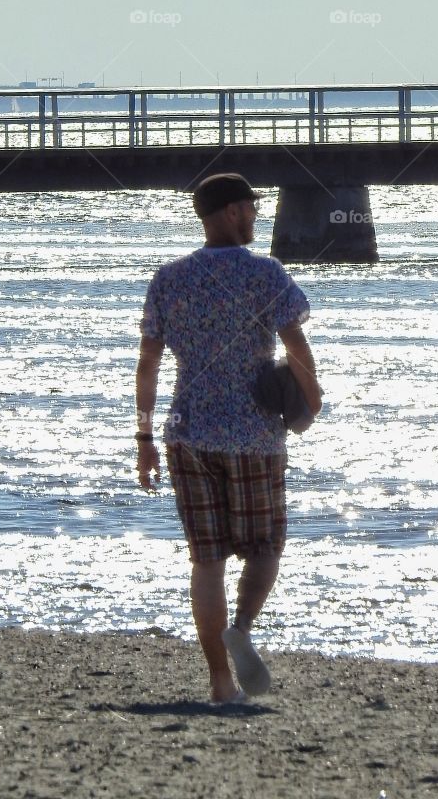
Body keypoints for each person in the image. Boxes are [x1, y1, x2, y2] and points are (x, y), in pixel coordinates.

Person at [134, 172, 322, 704]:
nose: (256, 217)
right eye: (251, 209)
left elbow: (148, 365)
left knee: (206, 560)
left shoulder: (168, 279)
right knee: (266, 547)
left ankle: (220, 683)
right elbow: (296, 347)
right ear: (232, 211)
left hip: (188, 435)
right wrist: (312, 398)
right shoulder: (265, 274)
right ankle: (240, 627)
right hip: (254, 435)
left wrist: (143, 436)